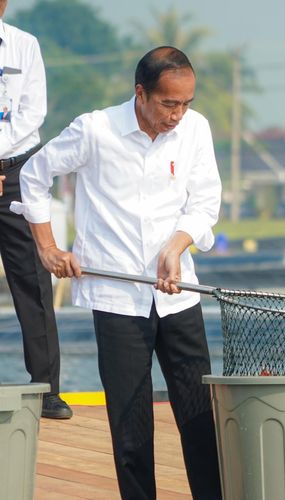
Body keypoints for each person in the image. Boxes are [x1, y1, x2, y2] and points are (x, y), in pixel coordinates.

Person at [12, 46, 222, 499]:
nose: (178, 115)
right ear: (140, 93)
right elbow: (33, 175)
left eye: (186, 103)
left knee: (199, 415)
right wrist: (48, 248)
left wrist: (177, 243)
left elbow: (205, 203)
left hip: (178, 292)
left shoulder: (196, 130)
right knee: (130, 424)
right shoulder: (95, 130)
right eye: (169, 103)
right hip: (116, 299)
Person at [0, 0, 71, 419]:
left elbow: (32, 113)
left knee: (33, 282)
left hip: (19, 171)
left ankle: (46, 390)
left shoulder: (25, 46)